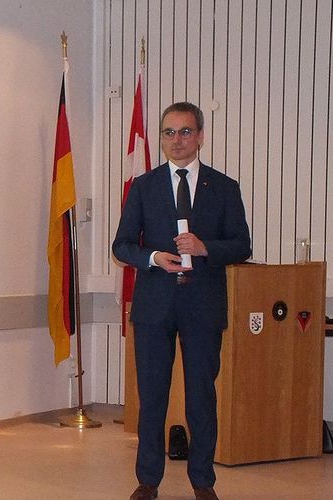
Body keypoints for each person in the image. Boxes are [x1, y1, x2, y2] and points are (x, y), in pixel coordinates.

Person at [113, 102, 251, 500]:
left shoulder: (224, 187)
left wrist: (206, 247)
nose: (177, 140)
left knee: (201, 400)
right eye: (169, 133)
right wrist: (153, 258)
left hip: (202, 306)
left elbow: (241, 245)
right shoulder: (144, 186)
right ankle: (148, 481)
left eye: (185, 132)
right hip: (155, 305)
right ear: (161, 138)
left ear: (201, 136)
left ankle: (203, 481)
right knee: (152, 398)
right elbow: (121, 245)